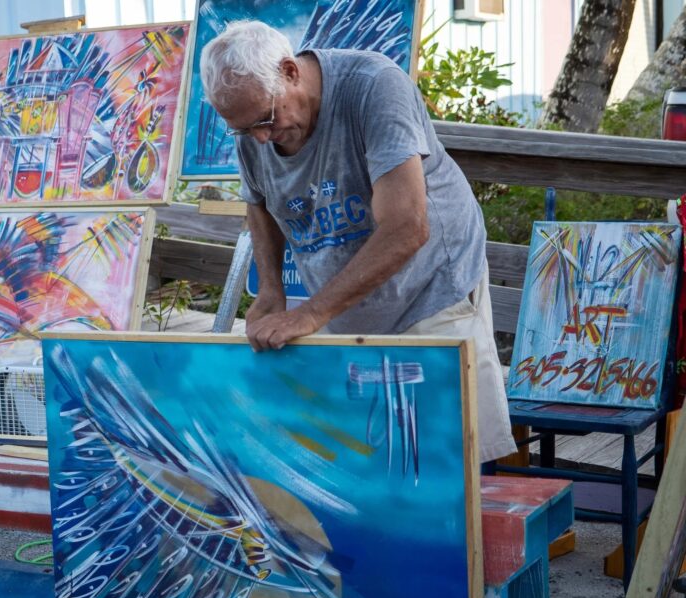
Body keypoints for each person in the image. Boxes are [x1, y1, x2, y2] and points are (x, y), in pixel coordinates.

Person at [200, 20, 517, 464]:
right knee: (368, 461)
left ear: (290, 71)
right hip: (349, 306)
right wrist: (271, 289)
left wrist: (311, 312)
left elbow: (408, 226)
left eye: (265, 121)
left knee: (448, 463)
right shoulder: (256, 117)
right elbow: (260, 202)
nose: (260, 138)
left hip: (431, 290)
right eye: (243, 129)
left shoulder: (374, 86)